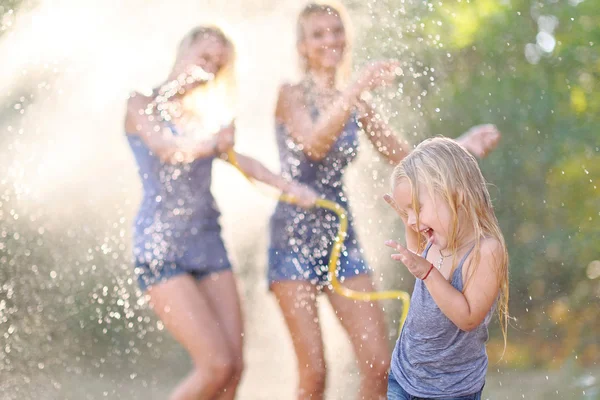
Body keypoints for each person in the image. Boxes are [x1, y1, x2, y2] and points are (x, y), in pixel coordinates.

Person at [267, 2, 502, 399]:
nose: (330, 40)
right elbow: (313, 143)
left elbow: (406, 158)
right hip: (293, 237)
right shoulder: (290, 95)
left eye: (336, 30)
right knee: (314, 375)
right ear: (302, 46)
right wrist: (355, 88)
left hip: (342, 237)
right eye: (318, 34)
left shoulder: (354, 102)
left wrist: (460, 148)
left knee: (379, 364)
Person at [124, 25, 316, 400]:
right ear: (183, 52)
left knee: (235, 368)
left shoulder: (203, 118)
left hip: (208, 245)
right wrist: (212, 141)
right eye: (204, 58)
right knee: (215, 366)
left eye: (218, 65)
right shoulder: (141, 103)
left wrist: (290, 188)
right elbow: (166, 148)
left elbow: (242, 161)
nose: (209, 69)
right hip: (160, 249)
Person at [384, 137, 509, 399]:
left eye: (417, 208)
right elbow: (419, 254)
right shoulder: (436, 239)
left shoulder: (485, 251)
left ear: (457, 196)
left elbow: (468, 318)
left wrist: (428, 273)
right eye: (407, 212)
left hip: (450, 391)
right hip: (404, 375)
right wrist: (408, 222)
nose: (412, 219)